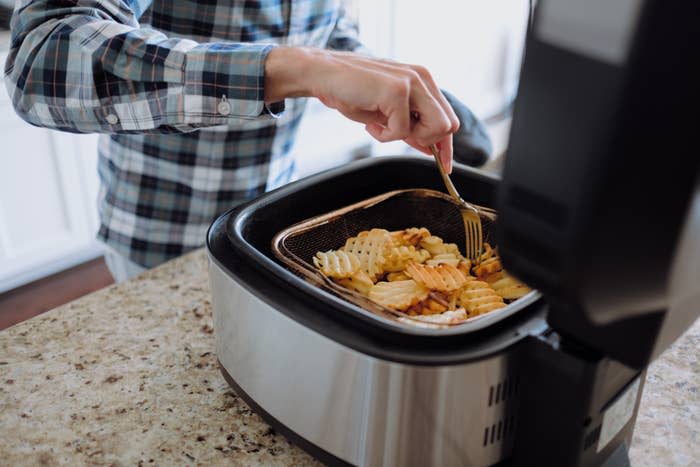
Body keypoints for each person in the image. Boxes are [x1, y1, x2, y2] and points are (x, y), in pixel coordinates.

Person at [4, 0, 459, 282]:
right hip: (163, 241)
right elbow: (41, 61)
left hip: (272, 222)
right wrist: (298, 69)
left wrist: (375, 75)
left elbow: (324, 26)